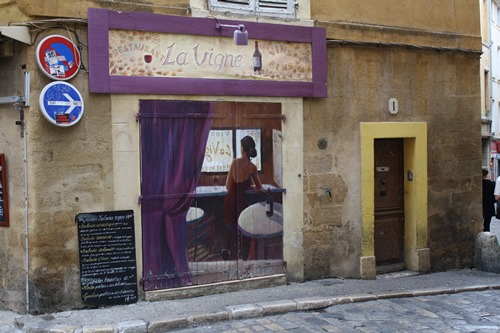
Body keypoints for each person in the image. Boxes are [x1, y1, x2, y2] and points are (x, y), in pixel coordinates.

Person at [223, 136, 263, 260]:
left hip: (230, 203)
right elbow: (260, 188)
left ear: (242, 149)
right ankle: (244, 257)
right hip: (242, 204)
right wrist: (248, 186)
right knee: (244, 230)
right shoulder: (252, 168)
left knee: (231, 229)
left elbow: (228, 187)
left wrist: (241, 186)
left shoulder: (235, 162)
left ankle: (229, 252)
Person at [483, 168, 496, 232]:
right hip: (489, 206)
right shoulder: (492, 184)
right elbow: (494, 197)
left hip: (481, 206)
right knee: (487, 224)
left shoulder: (478, 184)